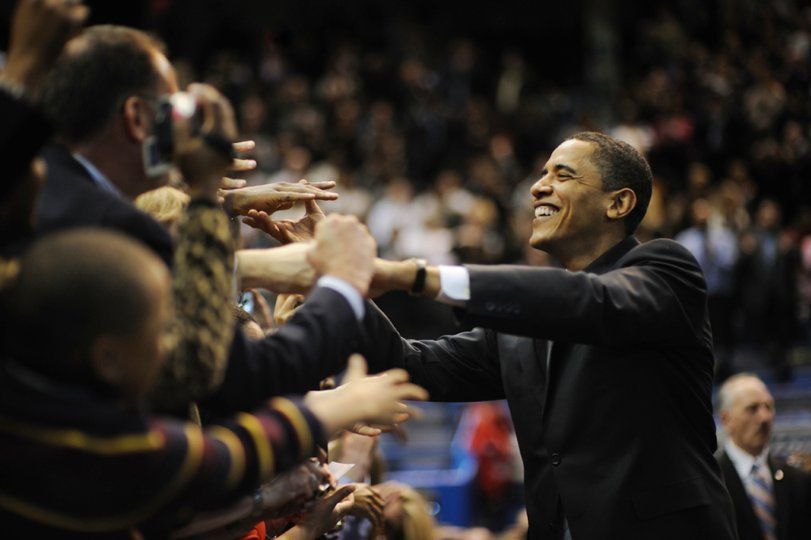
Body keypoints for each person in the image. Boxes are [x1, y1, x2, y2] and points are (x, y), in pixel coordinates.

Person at [349, 132, 737, 538]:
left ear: (618, 203)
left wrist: (417, 276)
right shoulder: (521, 324)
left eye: (563, 175)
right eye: (541, 174)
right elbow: (412, 364)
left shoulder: (667, 270)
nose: (537, 187)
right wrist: (339, 286)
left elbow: (590, 301)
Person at [0, 227, 427, 538]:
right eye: (159, 333)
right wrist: (339, 404)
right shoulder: (91, 444)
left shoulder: (31, 392)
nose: (172, 348)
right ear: (107, 357)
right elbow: (227, 456)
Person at [717, 373, 811, 540]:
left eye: (769, 407)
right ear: (726, 419)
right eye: (752, 408)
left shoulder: (798, 480)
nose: (764, 417)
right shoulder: (711, 480)